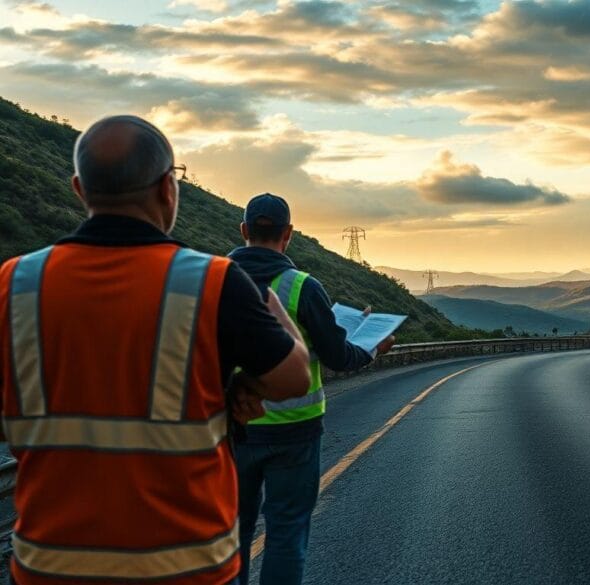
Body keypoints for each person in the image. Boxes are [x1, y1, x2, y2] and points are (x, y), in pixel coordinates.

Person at [0, 116, 312, 585]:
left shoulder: (14, 284)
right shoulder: (211, 282)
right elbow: (292, 377)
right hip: (186, 562)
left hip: (50, 562)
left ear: (79, 189)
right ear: (169, 189)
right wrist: (267, 307)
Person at [228, 193, 395, 585]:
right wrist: (371, 350)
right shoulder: (303, 286)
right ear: (288, 234)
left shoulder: (214, 279)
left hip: (231, 427)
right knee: (286, 533)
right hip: (295, 431)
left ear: (243, 230)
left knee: (231, 534)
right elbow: (337, 356)